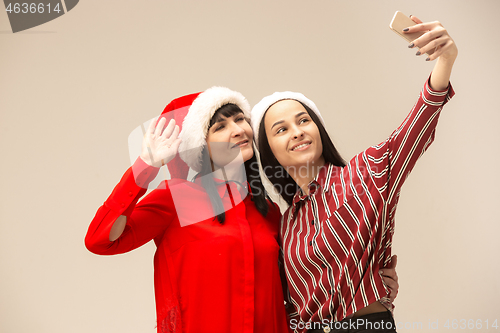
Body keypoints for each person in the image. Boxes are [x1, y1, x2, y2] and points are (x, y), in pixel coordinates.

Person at [85, 87, 400, 332]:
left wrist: (369, 280)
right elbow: (102, 239)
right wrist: (146, 168)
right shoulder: (177, 200)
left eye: (240, 120)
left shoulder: (270, 214)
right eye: (220, 126)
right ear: (201, 145)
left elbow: (299, 291)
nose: (238, 129)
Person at [250, 16, 457, 333]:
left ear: (318, 128)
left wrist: (445, 60)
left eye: (303, 120)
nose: (297, 132)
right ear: (269, 151)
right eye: (281, 129)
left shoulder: (368, 170)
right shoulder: (286, 223)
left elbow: (418, 124)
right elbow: (289, 308)